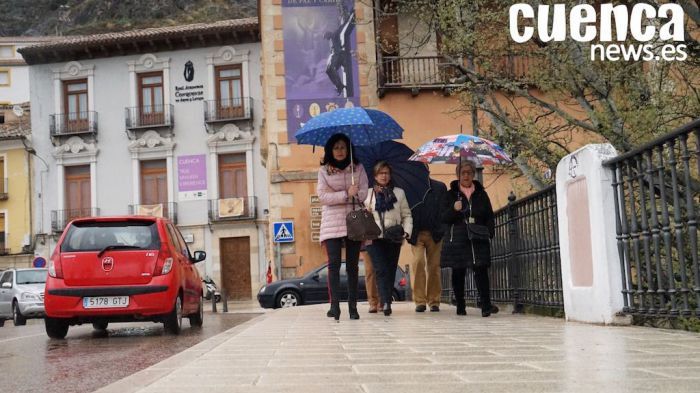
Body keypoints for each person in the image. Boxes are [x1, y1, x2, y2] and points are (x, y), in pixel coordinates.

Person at [317, 133, 368, 321]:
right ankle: (335, 306)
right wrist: (346, 194)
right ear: (330, 150)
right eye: (336, 147)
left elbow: (363, 193)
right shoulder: (324, 171)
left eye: (343, 147)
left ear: (349, 149)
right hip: (331, 223)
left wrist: (353, 193)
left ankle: (353, 308)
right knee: (334, 266)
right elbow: (323, 197)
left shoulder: (358, 168)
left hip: (353, 221)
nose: (340, 151)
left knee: (353, 267)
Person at [440, 160, 499, 317]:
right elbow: (443, 217)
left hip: (478, 236)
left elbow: (489, 215)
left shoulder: (481, 193)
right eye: (463, 173)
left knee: (481, 269)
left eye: (469, 173)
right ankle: (460, 304)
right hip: (458, 236)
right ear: (458, 175)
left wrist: (489, 232)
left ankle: (486, 305)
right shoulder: (450, 194)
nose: (466, 175)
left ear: (473, 175)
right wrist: (454, 209)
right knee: (458, 271)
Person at [364, 161, 412, 316]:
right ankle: (385, 303)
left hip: (393, 237)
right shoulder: (368, 193)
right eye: (380, 173)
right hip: (374, 237)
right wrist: (365, 212)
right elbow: (359, 215)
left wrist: (406, 232)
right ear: (375, 175)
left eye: (386, 173)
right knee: (380, 270)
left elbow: (406, 215)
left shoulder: (399, 193)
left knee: (390, 270)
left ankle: (387, 301)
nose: (384, 176)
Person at [408, 178, 447, 312]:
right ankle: (420, 301)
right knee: (418, 263)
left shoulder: (440, 187)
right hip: (417, 233)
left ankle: (434, 300)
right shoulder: (411, 187)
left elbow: (444, 208)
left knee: (434, 266)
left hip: (435, 233)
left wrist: (441, 228)